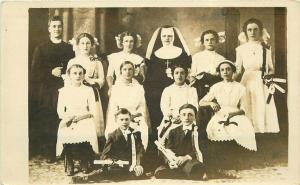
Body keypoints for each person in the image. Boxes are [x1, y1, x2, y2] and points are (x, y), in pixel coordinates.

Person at [199, 60, 256, 176]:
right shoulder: (216, 87)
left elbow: (244, 108)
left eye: (228, 69)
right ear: (219, 73)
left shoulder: (241, 87)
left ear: (233, 71)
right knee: (216, 129)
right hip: (220, 113)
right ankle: (221, 164)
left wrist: (232, 114)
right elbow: (201, 102)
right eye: (222, 70)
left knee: (237, 129)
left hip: (236, 114)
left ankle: (234, 163)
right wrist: (211, 104)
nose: (225, 72)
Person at [30, 16, 75, 163]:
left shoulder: (68, 48)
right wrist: (51, 72)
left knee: (65, 117)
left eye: (59, 26)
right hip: (48, 90)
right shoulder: (41, 48)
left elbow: (73, 67)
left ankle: (66, 151)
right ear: (49, 29)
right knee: (49, 118)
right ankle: (50, 152)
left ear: (62, 28)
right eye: (54, 26)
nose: (57, 29)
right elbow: (35, 72)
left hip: (65, 88)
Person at [144, 25, 192, 140]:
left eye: (170, 36)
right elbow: (150, 74)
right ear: (160, 37)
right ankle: (159, 139)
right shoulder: (155, 54)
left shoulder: (181, 53)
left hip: (177, 89)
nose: (167, 38)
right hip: (158, 89)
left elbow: (185, 71)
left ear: (174, 37)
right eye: (164, 36)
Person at [235, 18, 279, 133]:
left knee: (261, 104)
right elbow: (238, 70)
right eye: (249, 30)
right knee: (247, 104)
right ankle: (248, 130)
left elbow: (271, 69)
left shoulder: (266, 48)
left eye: (255, 29)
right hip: (247, 79)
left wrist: (268, 77)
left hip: (261, 80)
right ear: (245, 32)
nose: (252, 32)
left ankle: (262, 130)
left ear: (260, 31)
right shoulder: (240, 49)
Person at [56, 64, 99, 176]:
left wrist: (81, 117)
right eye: (74, 73)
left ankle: (84, 160)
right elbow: (60, 110)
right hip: (69, 118)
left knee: (85, 131)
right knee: (66, 132)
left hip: (84, 117)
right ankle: (69, 160)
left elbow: (93, 110)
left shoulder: (89, 90)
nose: (78, 76)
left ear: (84, 75)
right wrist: (68, 118)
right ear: (69, 75)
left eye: (80, 73)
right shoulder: (64, 91)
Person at [66, 33, 105, 141]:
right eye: (82, 43)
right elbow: (68, 81)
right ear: (78, 45)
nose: (85, 46)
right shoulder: (72, 61)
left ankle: (93, 144)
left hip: (92, 92)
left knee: (92, 115)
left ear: (92, 45)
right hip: (76, 94)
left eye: (88, 43)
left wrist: (89, 80)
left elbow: (102, 80)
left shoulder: (96, 62)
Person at [154, 104, 206, 180]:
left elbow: (201, 149)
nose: (186, 118)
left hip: (190, 160)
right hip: (175, 160)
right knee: (159, 172)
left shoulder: (199, 131)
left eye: (190, 115)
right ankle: (182, 172)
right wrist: (170, 161)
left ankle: (184, 172)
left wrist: (186, 157)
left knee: (194, 167)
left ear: (195, 116)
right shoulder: (173, 131)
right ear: (180, 116)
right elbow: (168, 149)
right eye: (183, 115)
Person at [105, 61, 150, 149]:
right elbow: (113, 108)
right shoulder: (115, 88)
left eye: (130, 69)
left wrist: (135, 116)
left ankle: (138, 155)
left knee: (143, 129)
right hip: (119, 117)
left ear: (134, 72)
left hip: (135, 116)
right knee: (113, 130)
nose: (127, 72)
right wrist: (121, 117)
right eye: (124, 69)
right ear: (121, 72)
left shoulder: (139, 88)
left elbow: (142, 106)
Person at [158, 64, 198, 145]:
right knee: (164, 135)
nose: (179, 75)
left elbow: (193, 107)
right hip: (171, 118)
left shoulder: (192, 90)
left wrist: (182, 117)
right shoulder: (168, 90)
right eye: (176, 73)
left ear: (186, 75)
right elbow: (164, 106)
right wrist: (171, 117)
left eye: (182, 73)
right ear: (172, 75)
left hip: (187, 118)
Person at [101, 108, 145, 180]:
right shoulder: (112, 135)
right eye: (121, 120)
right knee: (113, 172)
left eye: (127, 119)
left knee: (141, 170)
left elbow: (140, 151)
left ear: (130, 119)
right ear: (116, 121)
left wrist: (138, 164)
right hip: (120, 165)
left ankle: (133, 171)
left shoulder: (136, 133)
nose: (124, 122)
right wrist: (111, 161)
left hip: (133, 163)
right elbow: (105, 154)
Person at [107, 31, 145, 97]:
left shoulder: (139, 58)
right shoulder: (114, 57)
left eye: (131, 41)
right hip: (119, 86)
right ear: (122, 42)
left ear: (134, 43)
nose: (129, 44)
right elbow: (109, 75)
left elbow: (143, 77)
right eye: (126, 41)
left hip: (134, 87)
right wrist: (111, 87)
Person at [190, 30, 225, 100]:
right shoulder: (196, 57)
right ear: (203, 42)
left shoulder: (222, 59)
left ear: (216, 41)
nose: (210, 42)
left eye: (212, 39)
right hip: (200, 88)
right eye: (207, 40)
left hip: (216, 87)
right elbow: (192, 74)